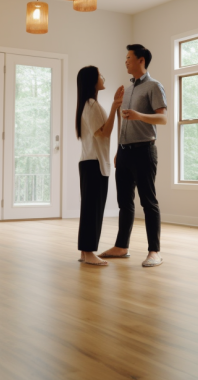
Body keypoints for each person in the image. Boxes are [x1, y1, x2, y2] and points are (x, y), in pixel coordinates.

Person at [100, 44, 167, 267]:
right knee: (124, 202)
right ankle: (121, 247)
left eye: (129, 57)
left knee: (149, 202)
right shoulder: (127, 90)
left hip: (145, 151)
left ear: (141, 60)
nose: (125, 61)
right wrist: (119, 149)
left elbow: (162, 119)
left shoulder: (154, 86)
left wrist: (139, 115)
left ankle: (154, 252)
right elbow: (122, 122)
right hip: (125, 152)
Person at [75, 66, 124, 266]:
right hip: (94, 163)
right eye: (99, 75)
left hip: (92, 162)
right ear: (92, 81)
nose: (103, 77)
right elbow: (104, 132)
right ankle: (88, 252)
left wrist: (115, 107)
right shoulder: (91, 104)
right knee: (92, 210)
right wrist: (114, 106)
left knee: (90, 209)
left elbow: (104, 131)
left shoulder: (89, 104)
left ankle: (85, 253)